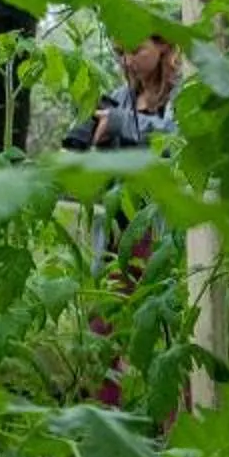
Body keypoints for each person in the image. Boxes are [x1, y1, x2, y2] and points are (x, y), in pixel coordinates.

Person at [60, 36, 182, 409]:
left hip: (158, 230)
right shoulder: (118, 95)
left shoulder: (182, 94)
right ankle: (106, 417)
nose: (128, 60)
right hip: (118, 228)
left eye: (137, 50)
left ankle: (177, 422)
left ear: (164, 47)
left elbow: (175, 139)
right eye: (122, 52)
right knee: (104, 326)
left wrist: (119, 124)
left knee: (166, 329)